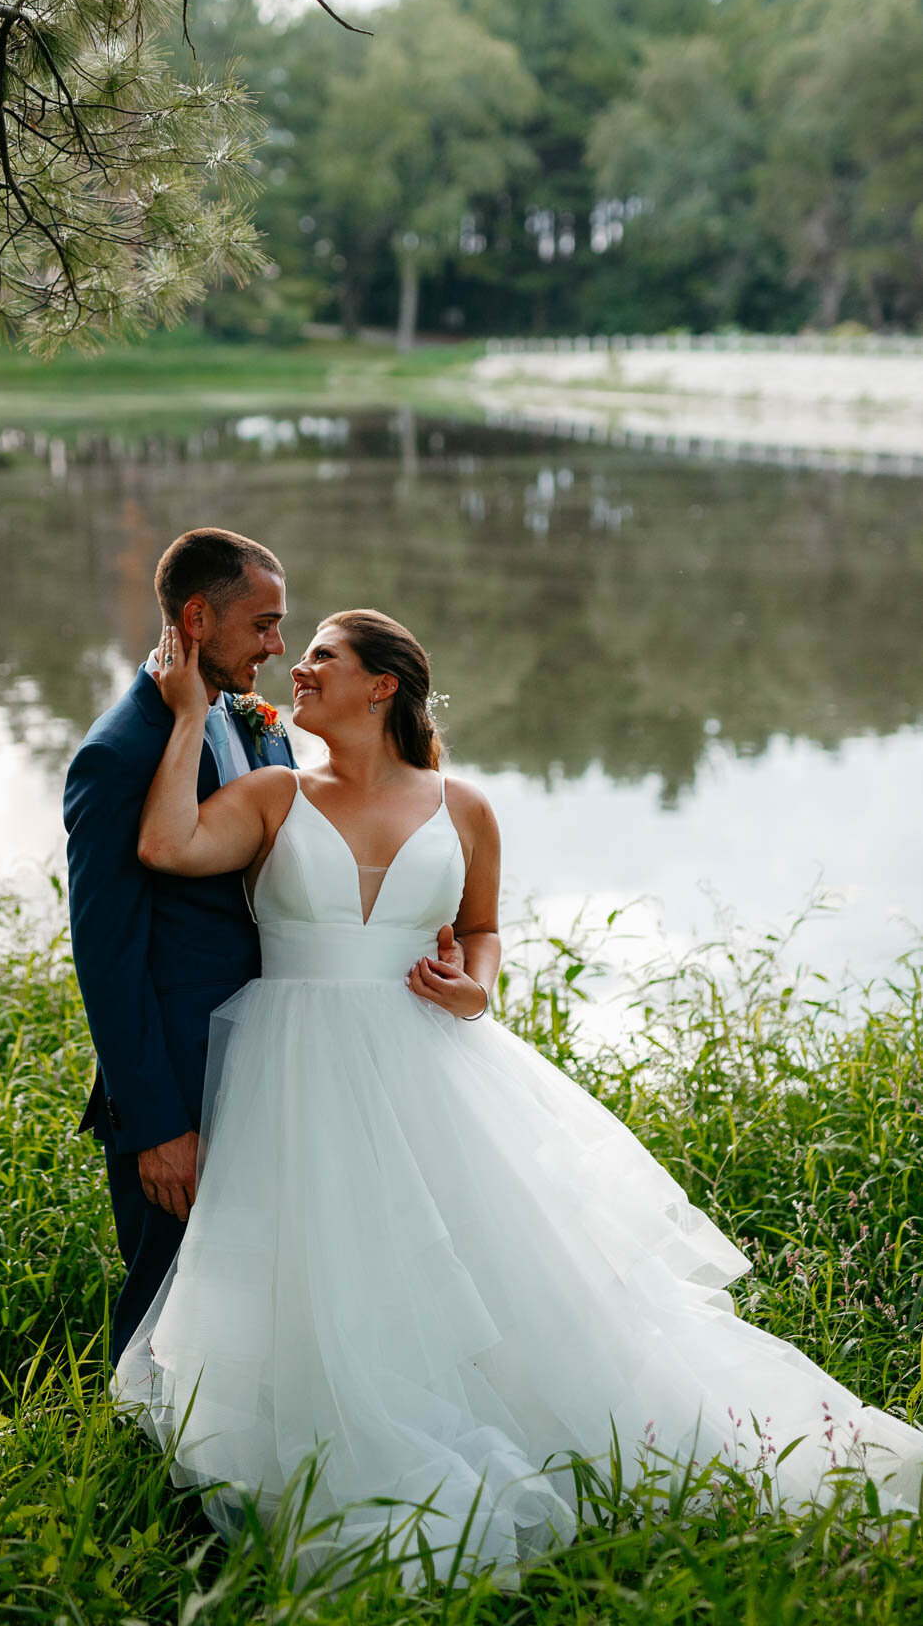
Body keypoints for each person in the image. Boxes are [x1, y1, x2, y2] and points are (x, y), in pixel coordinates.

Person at [112, 606, 923, 1587]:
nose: (300, 668)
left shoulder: (464, 807)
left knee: (485, 1265)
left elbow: (483, 927)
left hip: (427, 1059)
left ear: (384, 685)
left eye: (322, 654)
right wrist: (188, 713)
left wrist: (478, 985)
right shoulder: (274, 791)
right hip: (296, 1068)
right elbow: (165, 847)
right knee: (322, 1259)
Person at [63, 528, 295, 1362]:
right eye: (264, 624)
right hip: (180, 1087)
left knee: (256, 1295)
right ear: (197, 618)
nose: (278, 645)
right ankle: (142, 1482)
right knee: (168, 1303)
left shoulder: (259, 724)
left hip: (274, 1064)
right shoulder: (117, 755)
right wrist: (155, 1125)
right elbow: (107, 957)